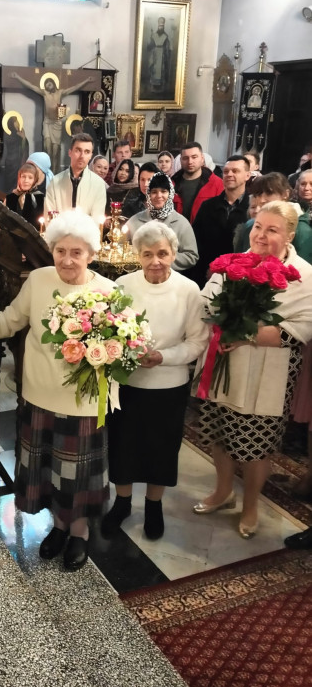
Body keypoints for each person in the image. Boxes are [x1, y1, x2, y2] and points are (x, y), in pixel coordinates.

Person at [0, 210, 118, 571]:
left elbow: (120, 347)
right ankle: (58, 527)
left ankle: (79, 534)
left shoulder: (108, 292)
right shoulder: (39, 280)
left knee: (76, 477)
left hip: (83, 402)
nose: (67, 259)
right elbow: (12, 319)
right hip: (39, 394)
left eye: (76, 252)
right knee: (49, 471)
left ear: (91, 254)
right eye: (60, 251)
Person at [194, 201, 312, 538]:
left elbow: (300, 329)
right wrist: (221, 324)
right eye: (258, 226)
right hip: (225, 366)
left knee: (255, 445)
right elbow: (207, 302)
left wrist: (243, 334)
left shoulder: (304, 275)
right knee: (220, 434)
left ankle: (250, 505)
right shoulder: (234, 262)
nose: (260, 235)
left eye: (272, 230)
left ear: (290, 236)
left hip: (268, 372)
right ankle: (223, 491)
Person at [104, 221, 208, 540]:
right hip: (128, 383)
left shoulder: (189, 290)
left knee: (161, 449)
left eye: (162, 253)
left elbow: (197, 341)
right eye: (147, 254)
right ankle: (122, 503)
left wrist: (163, 356)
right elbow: (108, 329)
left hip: (169, 385)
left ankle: (153, 506)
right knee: (123, 446)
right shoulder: (123, 285)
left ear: (174, 253)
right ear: (137, 255)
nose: (155, 261)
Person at [11, 71, 93, 173]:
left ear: (53, 83)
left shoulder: (60, 92)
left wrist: (86, 81)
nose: (48, 86)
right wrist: (18, 77)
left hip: (57, 123)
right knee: (47, 147)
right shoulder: (44, 93)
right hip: (47, 122)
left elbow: (75, 87)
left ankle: (55, 171)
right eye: (46, 85)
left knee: (55, 150)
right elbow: (31, 86)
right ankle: (47, 170)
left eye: (49, 84)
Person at [189, 154, 251, 288]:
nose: (229, 174)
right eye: (226, 171)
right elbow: (196, 241)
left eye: (235, 171)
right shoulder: (208, 206)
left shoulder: (252, 208)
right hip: (206, 275)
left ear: (247, 175)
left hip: (241, 280)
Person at [126, 172, 198, 272]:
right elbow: (120, 250)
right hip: (138, 275)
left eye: (163, 191)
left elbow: (191, 256)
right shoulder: (134, 221)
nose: (159, 196)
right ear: (148, 194)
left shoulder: (181, 223)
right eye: (154, 192)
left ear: (170, 194)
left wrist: (165, 260)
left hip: (170, 277)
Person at [233, 172, 312, 260]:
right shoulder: (250, 224)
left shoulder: (301, 229)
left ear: (286, 194)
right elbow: (238, 259)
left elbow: (304, 265)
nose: (262, 200)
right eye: (258, 194)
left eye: (269, 193)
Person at [44, 132, 106, 221]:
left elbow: (97, 219)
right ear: (70, 152)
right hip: (59, 229)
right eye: (78, 150)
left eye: (87, 152)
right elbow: (49, 216)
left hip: (87, 230)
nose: (82, 156)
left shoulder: (98, 184)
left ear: (91, 156)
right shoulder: (55, 181)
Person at [172, 141, 224, 223]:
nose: (190, 162)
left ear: (202, 158)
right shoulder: (171, 183)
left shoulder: (217, 183)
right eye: (185, 158)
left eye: (194, 157)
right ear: (181, 160)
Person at [5, 162, 44, 229]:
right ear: (19, 178)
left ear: (35, 180)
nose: (26, 180)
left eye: (30, 178)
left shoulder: (40, 198)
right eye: (23, 176)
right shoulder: (10, 197)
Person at [3, 115, 30, 192]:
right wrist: (21, 138)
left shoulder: (20, 133)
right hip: (10, 164)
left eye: (17, 122)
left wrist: (23, 138)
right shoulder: (7, 134)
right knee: (10, 186)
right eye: (15, 122)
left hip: (18, 163)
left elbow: (25, 147)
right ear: (11, 123)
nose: (17, 124)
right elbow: (8, 146)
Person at [147, 17, 171, 96]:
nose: (161, 25)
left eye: (162, 23)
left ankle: (161, 89)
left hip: (162, 57)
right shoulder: (154, 35)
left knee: (161, 71)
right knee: (154, 71)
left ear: (164, 24)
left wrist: (166, 55)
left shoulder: (165, 36)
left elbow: (167, 48)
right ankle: (153, 88)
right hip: (155, 56)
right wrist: (150, 42)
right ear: (158, 24)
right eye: (160, 23)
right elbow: (149, 47)